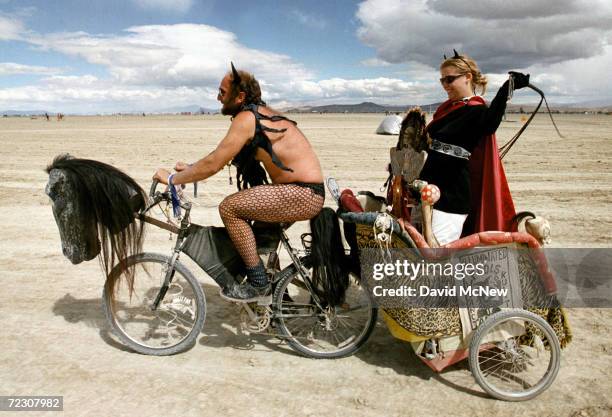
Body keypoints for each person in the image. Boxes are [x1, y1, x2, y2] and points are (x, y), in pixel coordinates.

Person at [153, 64, 325, 302]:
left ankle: (259, 285)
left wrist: (173, 180)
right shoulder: (257, 115)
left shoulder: (247, 118)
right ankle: (276, 300)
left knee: (230, 208)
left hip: (302, 194)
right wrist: (191, 169)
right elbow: (224, 156)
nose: (218, 97)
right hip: (300, 193)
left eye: (222, 92)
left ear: (240, 96)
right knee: (258, 242)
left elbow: (214, 162)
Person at [418, 51, 530, 245]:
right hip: (425, 191)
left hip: (451, 197)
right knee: (416, 250)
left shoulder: (477, 111)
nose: (445, 85)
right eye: (442, 80)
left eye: (450, 79)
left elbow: (491, 122)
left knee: (437, 258)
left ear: (468, 77)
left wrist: (506, 87)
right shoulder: (445, 110)